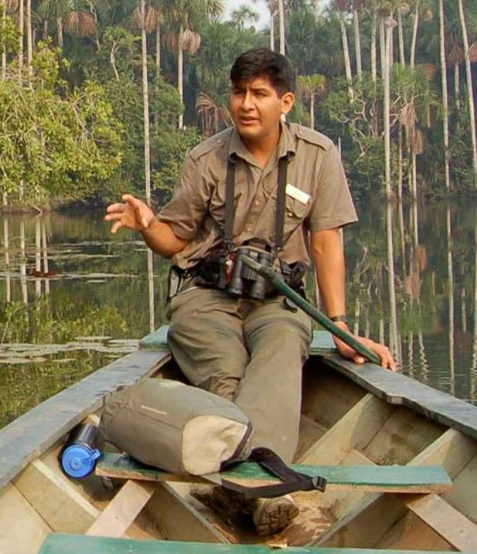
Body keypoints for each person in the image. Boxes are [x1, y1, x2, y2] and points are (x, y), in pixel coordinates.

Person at [104, 48, 395, 536]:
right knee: (227, 374)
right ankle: (263, 489)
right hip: (205, 299)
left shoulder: (318, 157)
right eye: (239, 93)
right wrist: (147, 224)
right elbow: (174, 239)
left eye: (259, 94)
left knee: (282, 352)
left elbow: (326, 242)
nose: (246, 104)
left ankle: (235, 485)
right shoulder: (206, 158)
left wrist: (339, 326)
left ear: (286, 102)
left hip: (278, 301)